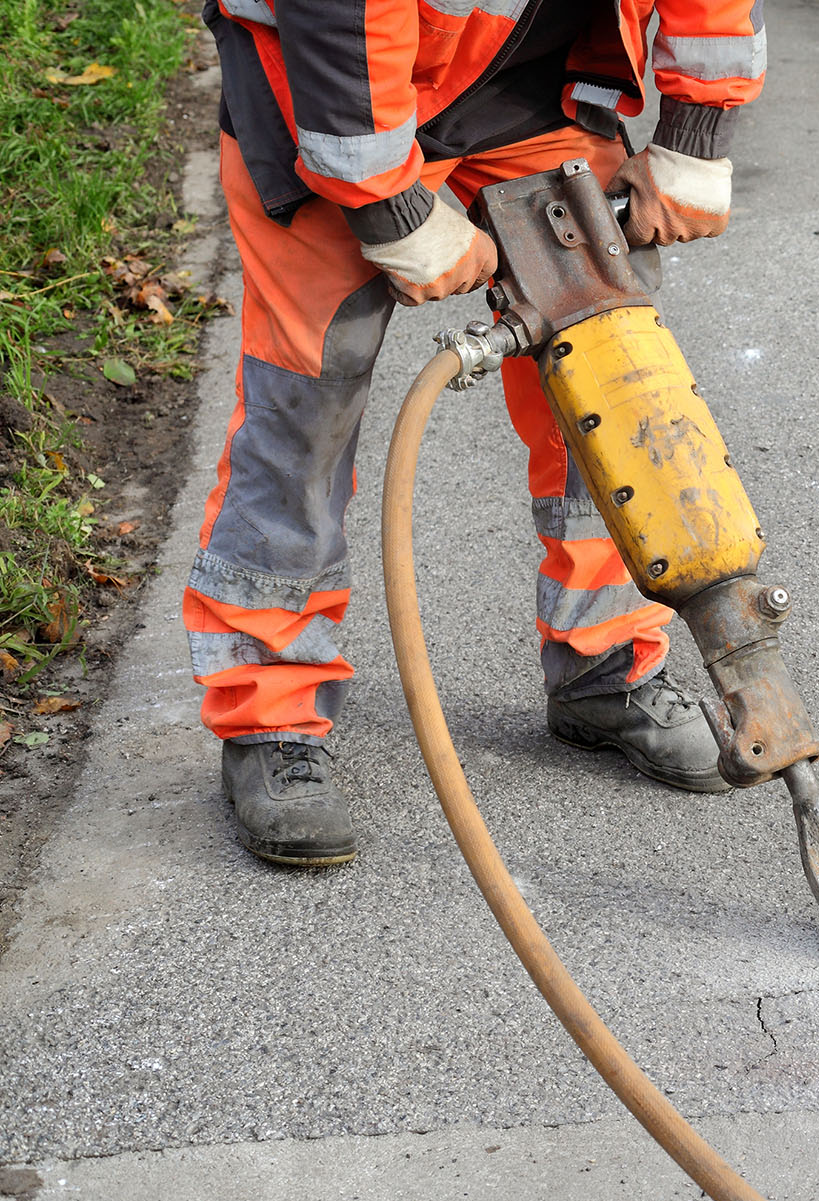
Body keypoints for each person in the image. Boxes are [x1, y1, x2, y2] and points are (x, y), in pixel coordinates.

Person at [187, 1, 763, 866]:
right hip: (326, 101)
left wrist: (697, 127)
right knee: (306, 402)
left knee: (610, 363)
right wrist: (388, 208)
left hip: (523, 87)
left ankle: (604, 665)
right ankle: (269, 715)